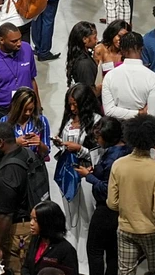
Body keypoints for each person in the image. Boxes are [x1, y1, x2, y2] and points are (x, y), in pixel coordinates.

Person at [107, 114, 155, 275]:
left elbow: (112, 203)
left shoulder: (118, 165)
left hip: (125, 229)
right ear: (153, 139)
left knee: (125, 272)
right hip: (152, 231)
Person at [0, 121, 48, 273]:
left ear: (0, 142)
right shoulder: (28, 154)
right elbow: (22, 183)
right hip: (38, 225)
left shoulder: (6, 173)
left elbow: (6, 216)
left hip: (19, 232)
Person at [81, 117, 128, 275]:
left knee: (95, 250)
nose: (96, 140)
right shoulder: (126, 151)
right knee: (113, 252)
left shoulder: (112, 159)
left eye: (98, 137)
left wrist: (89, 177)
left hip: (106, 210)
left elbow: (109, 189)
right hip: (121, 211)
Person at [0, 23, 38, 132]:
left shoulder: (27, 49)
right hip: (3, 112)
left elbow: (32, 80)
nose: (19, 44)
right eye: (14, 41)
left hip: (27, 110)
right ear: (1, 40)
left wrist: (38, 108)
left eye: (20, 39)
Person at [55, 84, 99, 237]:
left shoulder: (96, 121)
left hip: (86, 173)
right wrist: (60, 143)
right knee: (71, 218)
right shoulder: (68, 119)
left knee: (87, 216)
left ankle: (85, 259)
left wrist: (79, 149)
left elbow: (98, 154)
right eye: (70, 104)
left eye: (76, 104)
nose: (72, 108)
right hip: (67, 173)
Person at [101, 32, 155, 127]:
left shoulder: (110, 76)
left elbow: (109, 110)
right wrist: (140, 113)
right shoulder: (152, 78)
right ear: (142, 49)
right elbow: (154, 115)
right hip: (142, 132)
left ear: (121, 50)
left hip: (117, 132)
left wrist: (136, 113)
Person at [21, 200, 79, 275]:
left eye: (36, 220)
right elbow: (26, 267)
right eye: (31, 218)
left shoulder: (66, 250)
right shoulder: (35, 240)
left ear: (48, 222)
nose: (31, 223)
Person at [0, 86, 51, 161]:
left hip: (35, 166)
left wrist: (39, 144)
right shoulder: (4, 121)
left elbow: (46, 152)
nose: (27, 113)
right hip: (12, 165)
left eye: (30, 109)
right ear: (16, 106)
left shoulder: (42, 121)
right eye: (24, 110)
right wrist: (15, 143)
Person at [65, 22, 98, 90]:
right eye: (94, 38)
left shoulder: (79, 55)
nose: (97, 41)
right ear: (85, 39)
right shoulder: (84, 64)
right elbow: (90, 92)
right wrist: (102, 86)